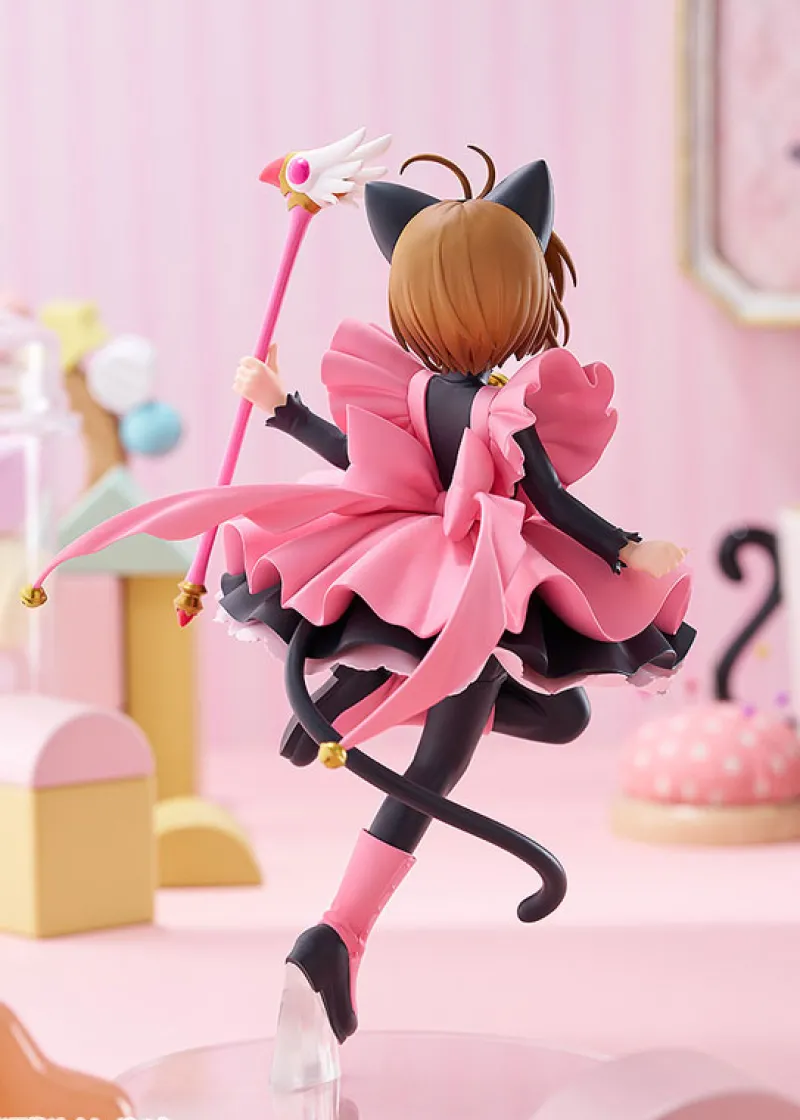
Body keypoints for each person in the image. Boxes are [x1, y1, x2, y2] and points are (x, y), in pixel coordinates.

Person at [27, 149, 694, 1054]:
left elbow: (360, 459)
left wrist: (283, 406)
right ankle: (339, 935)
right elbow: (549, 499)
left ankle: (360, 695)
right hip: (473, 585)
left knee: (563, 716)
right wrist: (625, 548)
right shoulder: (501, 409)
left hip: (440, 571)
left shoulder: (417, 390)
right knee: (437, 767)